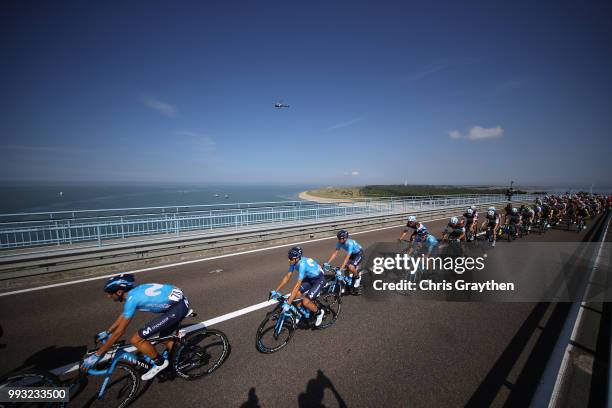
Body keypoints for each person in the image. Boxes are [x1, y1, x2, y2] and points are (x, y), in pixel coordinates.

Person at [81, 274, 190, 380]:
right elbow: (125, 314)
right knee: (165, 338)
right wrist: (108, 331)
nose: (109, 296)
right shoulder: (133, 293)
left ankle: (160, 363)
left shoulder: (132, 299)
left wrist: (97, 355)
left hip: (177, 307)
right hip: (178, 302)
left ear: (119, 292)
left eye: (110, 293)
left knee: (136, 339)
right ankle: (175, 360)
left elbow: (119, 332)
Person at [271, 247, 325, 327]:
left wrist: (288, 304)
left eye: (291, 258)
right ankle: (301, 313)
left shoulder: (302, 265)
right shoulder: (294, 262)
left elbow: (297, 285)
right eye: (288, 258)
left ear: (297, 258)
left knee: (305, 302)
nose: (289, 260)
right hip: (310, 278)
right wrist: (276, 290)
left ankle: (319, 313)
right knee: (296, 295)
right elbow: (287, 277)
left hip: (318, 279)